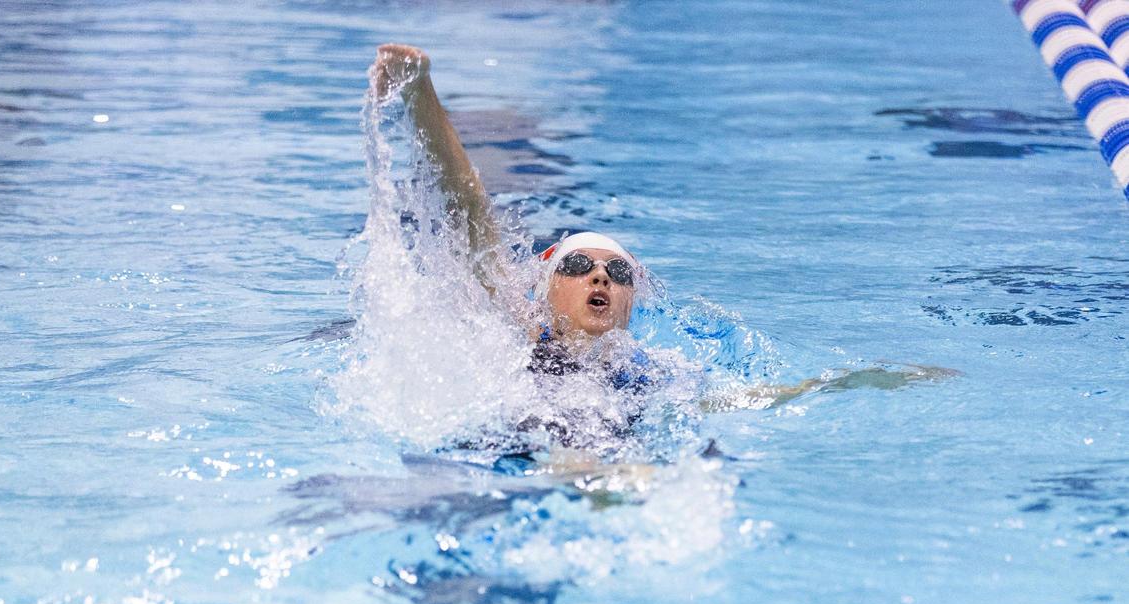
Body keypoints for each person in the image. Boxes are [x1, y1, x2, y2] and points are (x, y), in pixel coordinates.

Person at [369, 44, 955, 413]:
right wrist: (421, 93)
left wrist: (858, 382)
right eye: (579, 266)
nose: (599, 273)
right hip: (517, 456)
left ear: (630, 296)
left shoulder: (656, 370)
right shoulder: (516, 331)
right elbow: (467, 206)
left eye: (616, 271)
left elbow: (744, 402)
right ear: (549, 285)